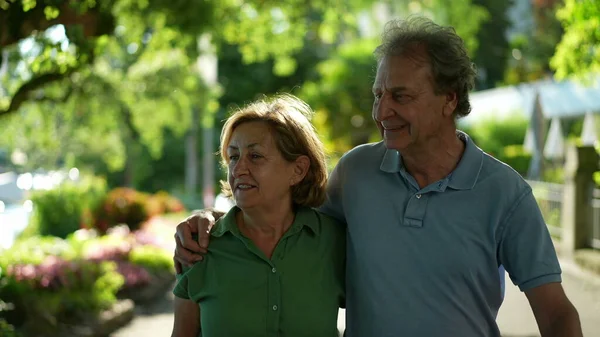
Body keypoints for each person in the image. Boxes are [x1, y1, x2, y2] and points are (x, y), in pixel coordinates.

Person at [174, 16, 582, 337]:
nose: (381, 111)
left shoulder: (505, 194)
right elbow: (279, 213)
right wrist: (209, 221)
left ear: (449, 99)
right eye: (378, 95)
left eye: (400, 96)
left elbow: (557, 313)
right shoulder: (356, 173)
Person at [171, 94, 345, 337]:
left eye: (255, 156)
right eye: (233, 157)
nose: (239, 168)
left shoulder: (334, 241)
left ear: (298, 170)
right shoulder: (200, 246)